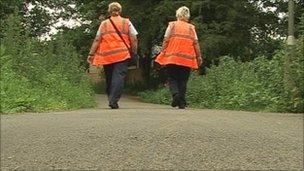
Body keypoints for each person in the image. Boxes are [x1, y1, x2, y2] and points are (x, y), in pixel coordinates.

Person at [87, 2, 138, 109]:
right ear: (120, 11)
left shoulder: (104, 24)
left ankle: (111, 97)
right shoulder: (126, 22)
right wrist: (133, 51)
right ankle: (113, 99)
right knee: (118, 76)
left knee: (110, 77)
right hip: (122, 54)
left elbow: (97, 39)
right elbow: (134, 38)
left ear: (109, 11)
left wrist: (91, 54)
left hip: (107, 55)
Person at [155, 6, 202, 109]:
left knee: (172, 78)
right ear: (187, 16)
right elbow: (196, 43)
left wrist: (163, 52)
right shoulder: (191, 28)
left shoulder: (172, 25)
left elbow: (166, 39)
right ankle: (182, 103)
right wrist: (199, 56)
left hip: (172, 57)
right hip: (186, 59)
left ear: (178, 15)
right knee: (183, 80)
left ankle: (176, 95)